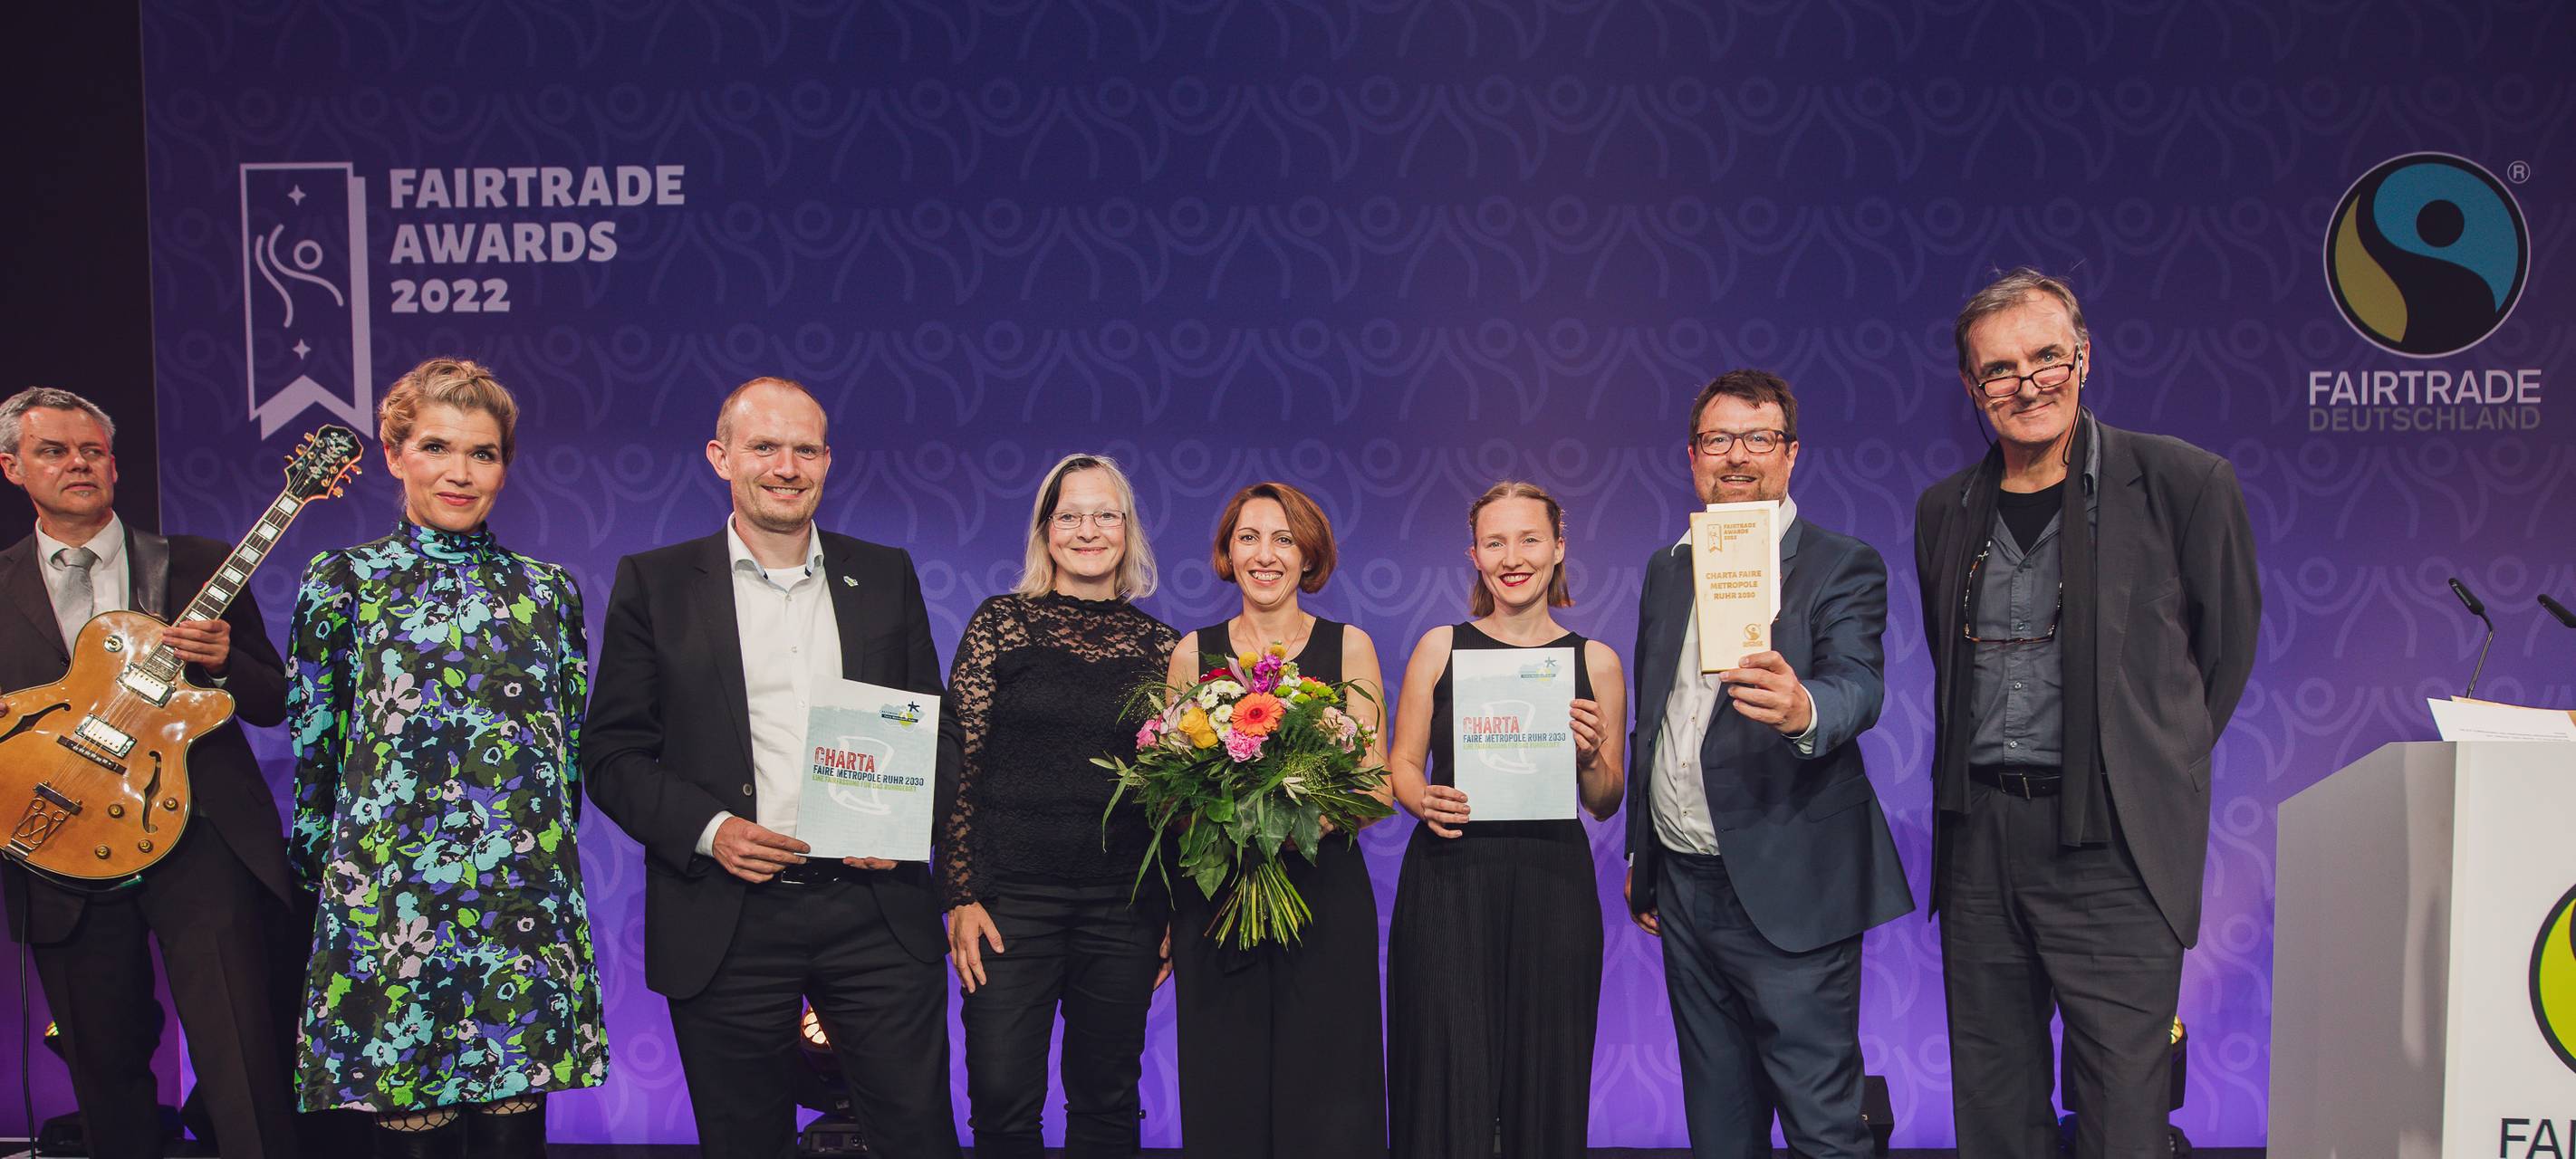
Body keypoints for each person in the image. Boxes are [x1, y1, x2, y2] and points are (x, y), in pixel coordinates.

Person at [1916, 269, 2259, 1158]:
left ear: (2085, 357)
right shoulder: (1944, 510)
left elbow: (2221, 657)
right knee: (1994, 1105)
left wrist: (2142, 761)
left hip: (2114, 841)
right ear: (1970, 387)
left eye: (2045, 358)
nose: (2026, 384)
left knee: (2122, 1115)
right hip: (1981, 840)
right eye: (1999, 369)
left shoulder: (2183, 482)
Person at [584, 377, 962, 1159]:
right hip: (727, 913)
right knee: (744, 1142)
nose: (786, 466)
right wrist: (710, 830)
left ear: (828, 460)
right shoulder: (655, 584)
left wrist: (905, 825)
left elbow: (937, 732)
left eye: (805, 448)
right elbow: (613, 754)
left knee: (918, 1138)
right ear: (722, 457)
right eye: (764, 446)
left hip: (875, 907)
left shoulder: (884, 574)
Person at [284, 359, 607, 1158]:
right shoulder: (344, 581)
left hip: (517, 898)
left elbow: (564, 758)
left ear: (505, 464)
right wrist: (334, 886)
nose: (460, 473)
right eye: (436, 447)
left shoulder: (549, 592)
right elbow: (315, 749)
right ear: (395, 455)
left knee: (512, 1134)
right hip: (391, 902)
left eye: (483, 453)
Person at [0, 387, 302, 1159]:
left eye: (93, 451)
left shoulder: (196, 565)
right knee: (103, 1062)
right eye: (54, 451)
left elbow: (274, 700)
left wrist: (227, 659)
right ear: (12, 467)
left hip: (199, 839)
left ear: (114, 465)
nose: (78, 464)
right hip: (61, 845)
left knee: (242, 1056)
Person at [1622, 370, 1914, 1159]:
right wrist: (1641, 855)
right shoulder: (1666, 568)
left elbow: (1860, 683)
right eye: (1719, 440)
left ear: (1791, 456)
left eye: (1759, 439)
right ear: (1693, 457)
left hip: (1792, 882)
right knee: (1719, 1125)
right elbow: (1657, 720)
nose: (1738, 457)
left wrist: (1804, 708)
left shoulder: (1840, 562)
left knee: (1822, 1124)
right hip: (1684, 887)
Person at [942, 453, 1178, 1159]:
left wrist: (1171, 908)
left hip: (1124, 908)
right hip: (1009, 903)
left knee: (1107, 1101)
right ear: (1046, 532)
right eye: (1070, 515)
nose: (1088, 530)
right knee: (1004, 1102)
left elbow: (1174, 794)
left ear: (1128, 531)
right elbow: (959, 763)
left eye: (1105, 514)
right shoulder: (1000, 626)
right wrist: (957, 892)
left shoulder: (1166, 649)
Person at [1384, 480, 1625, 1159]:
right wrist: (1419, 797)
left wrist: (1586, 756)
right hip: (1449, 879)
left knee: (1546, 1073)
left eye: (1528, 539)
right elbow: (1401, 763)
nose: (1513, 556)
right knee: (1445, 1072)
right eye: (1496, 542)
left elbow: (1607, 798)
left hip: (1553, 883)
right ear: (1475, 555)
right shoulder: (1440, 646)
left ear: (1558, 549)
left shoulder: (1596, 661)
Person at [1161, 481, 1391, 1159]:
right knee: (1224, 1092)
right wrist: (1231, 816)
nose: (1267, 554)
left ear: (1308, 555)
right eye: (1250, 538)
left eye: (1284, 539)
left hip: (1323, 901)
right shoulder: (1190, 652)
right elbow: (1170, 787)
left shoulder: (1350, 646)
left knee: (1326, 1098)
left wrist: (1301, 816)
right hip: (1219, 903)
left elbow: (1376, 783)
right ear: (1228, 554)